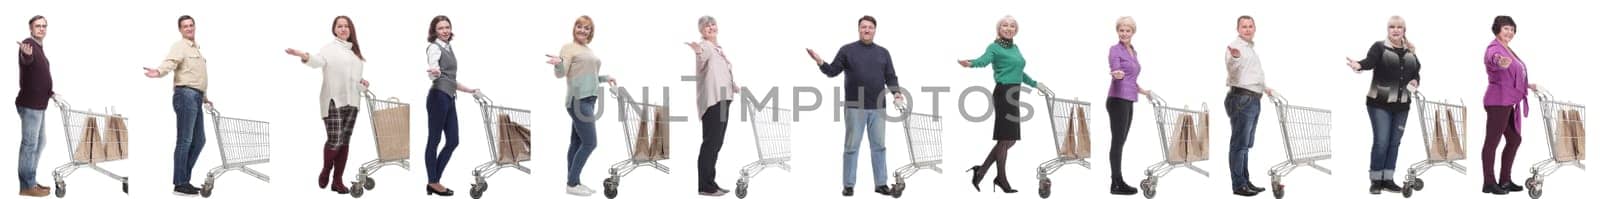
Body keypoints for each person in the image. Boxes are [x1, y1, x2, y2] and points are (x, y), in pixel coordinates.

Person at [805, 15, 903, 197]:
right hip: (854, 106)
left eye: (870, 27)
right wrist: (820, 62)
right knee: (851, 147)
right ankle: (848, 185)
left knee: (879, 147)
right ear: (858, 29)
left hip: (878, 106)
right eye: (863, 27)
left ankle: (881, 184)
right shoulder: (847, 50)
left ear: (875, 30)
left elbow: (890, 75)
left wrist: (896, 92)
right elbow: (833, 71)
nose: (867, 30)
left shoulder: (883, 53)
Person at [958, 15, 1049, 194]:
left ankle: (981, 170)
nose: (1008, 28)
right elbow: (983, 60)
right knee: (1005, 138)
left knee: (1010, 140)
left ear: (1016, 30)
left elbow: (1019, 72)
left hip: (1014, 94)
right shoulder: (994, 47)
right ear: (999, 29)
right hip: (1003, 94)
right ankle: (1001, 178)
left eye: (1012, 26)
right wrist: (971, 63)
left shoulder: (1015, 48)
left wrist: (1036, 83)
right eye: (1005, 25)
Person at [283, 15, 369, 195]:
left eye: (346, 26)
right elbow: (317, 61)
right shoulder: (329, 49)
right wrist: (304, 55)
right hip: (333, 100)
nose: (343, 29)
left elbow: (355, 80)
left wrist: (363, 84)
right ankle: (326, 170)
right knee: (335, 140)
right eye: (340, 26)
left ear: (351, 29)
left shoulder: (355, 53)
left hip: (353, 101)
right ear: (335, 29)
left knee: (345, 142)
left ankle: (337, 180)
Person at [1343, 16, 1421, 195]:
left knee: (1394, 142)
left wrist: (1416, 81)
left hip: (1402, 105)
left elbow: (1416, 72)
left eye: (1399, 27)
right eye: (1392, 27)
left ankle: (1388, 179)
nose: (1395, 30)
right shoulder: (1379, 47)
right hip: (1379, 103)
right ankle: (1376, 179)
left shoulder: (1411, 51)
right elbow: (1369, 62)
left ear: (1404, 30)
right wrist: (1358, 65)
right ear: (1388, 29)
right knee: (1382, 141)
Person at [543, 15, 614, 197]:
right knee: (590, 143)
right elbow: (561, 73)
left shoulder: (587, 49)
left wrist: (605, 78)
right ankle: (572, 183)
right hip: (578, 101)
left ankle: (574, 181)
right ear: (574, 28)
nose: (582, 30)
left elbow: (588, 77)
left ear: (591, 32)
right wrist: (559, 64)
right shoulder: (568, 48)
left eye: (587, 28)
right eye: (579, 26)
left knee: (577, 142)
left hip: (589, 100)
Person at [141, 15, 209, 196]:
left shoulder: (197, 49)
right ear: (180, 30)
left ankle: (183, 180)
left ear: (195, 26)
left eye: (191, 25)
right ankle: (180, 183)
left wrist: (205, 97)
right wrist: (159, 71)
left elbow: (197, 75)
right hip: (185, 96)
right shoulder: (180, 46)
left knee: (200, 140)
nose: (189, 28)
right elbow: (171, 62)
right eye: (185, 26)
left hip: (196, 96)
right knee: (185, 140)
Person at [422, 15, 479, 197]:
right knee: (434, 140)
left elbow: (451, 79)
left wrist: (470, 90)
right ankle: (434, 181)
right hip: (438, 97)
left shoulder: (448, 47)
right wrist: (434, 72)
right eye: (440, 28)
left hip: (449, 97)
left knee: (453, 140)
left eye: (447, 27)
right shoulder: (434, 47)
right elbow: (434, 71)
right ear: (434, 31)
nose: (445, 31)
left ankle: (433, 180)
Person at [1479, 15, 1534, 195]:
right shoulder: (1494, 48)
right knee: (1492, 142)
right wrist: (1498, 61)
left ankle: (1505, 180)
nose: (1509, 32)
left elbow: (1513, 76)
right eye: (1506, 28)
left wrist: (1527, 85)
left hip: (1507, 101)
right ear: (1498, 30)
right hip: (1498, 101)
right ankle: (1489, 182)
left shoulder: (1508, 48)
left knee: (1514, 139)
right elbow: (1492, 58)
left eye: (1512, 29)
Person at [684, 15, 737, 197]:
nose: (711, 27)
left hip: (724, 98)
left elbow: (721, 72)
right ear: (701, 31)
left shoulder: (718, 48)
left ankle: (711, 182)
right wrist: (697, 52)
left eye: (713, 24)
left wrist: (733, 85)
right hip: (713, 101)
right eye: (706, 26)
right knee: (710, 143)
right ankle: (705, 186)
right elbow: (701, 62)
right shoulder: (705, 46)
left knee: (717, 143)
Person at [1223, 15, 1275, 197]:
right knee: (1239, 145)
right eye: (1243, 26)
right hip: (1242, 100)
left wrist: (1265, 88)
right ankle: (1238, 185)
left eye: (1250, 26)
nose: (1247, 29)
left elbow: (1249, 75)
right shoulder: (1236, 47)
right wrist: (1235, 59)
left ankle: (1245, 181)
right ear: (1238, 29)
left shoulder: (1250, 49)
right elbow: (1233, 67)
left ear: (1255, 28)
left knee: (1245, 145)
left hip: (1253, 98)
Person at [1105, 16, 1151, 196]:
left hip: (1129, 99)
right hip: (1117, 99)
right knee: (1117, 142)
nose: (1124, 33)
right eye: (1121, 30)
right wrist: (1115, 73)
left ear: (1133, 32)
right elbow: (1115, 68)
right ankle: (1116, 182)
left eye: (1128, 30)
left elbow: (1131, 78)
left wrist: (1143, 91)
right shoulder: (1114, 50)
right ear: (1118, 31)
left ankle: (1118, 181)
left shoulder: (1133, 50)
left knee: (1121, 141)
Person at [16, 15, 53, 197]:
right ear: (31, 29)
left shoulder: (39, 48)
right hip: (30, 105)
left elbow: (39, 76)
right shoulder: (28, 44)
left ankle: (30, 179)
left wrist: (52, 93)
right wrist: (26, 54)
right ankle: (27, 186)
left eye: (44, 26)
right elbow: (26, 60)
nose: (41, 29)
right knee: (30, 144)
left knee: (41, 142)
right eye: (38, 26)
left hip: (39, 104)